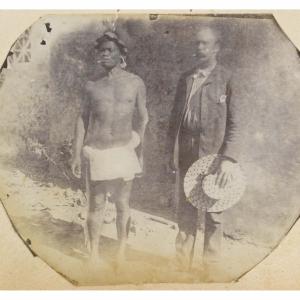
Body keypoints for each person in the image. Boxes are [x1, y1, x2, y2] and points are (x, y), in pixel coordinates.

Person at [167, 26, 245, 279]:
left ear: (216, 48)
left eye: (205, 44)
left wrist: (228, 160)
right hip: (188, 153)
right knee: (186, 211)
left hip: (215, 157)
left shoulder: (227, 79)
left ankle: (210, 271)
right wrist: (172, 153)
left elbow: (236, 123)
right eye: (196, 44)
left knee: (213, 214)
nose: (199, 48)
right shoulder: (185, 78)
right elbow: (174, 120)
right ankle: (181, 267)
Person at [71, 31, 148, 265]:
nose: (103, 55)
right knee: (97, 204)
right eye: (101, 51)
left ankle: (121, 252)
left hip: (124, 150)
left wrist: (140, 153)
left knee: (123, 203)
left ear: (121, 54)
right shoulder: (91, 85)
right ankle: (94, 254)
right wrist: (75, 154)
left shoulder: (135, 83)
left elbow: (143, 119)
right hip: (98, 151)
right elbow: (82, 119)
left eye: (109, 51)